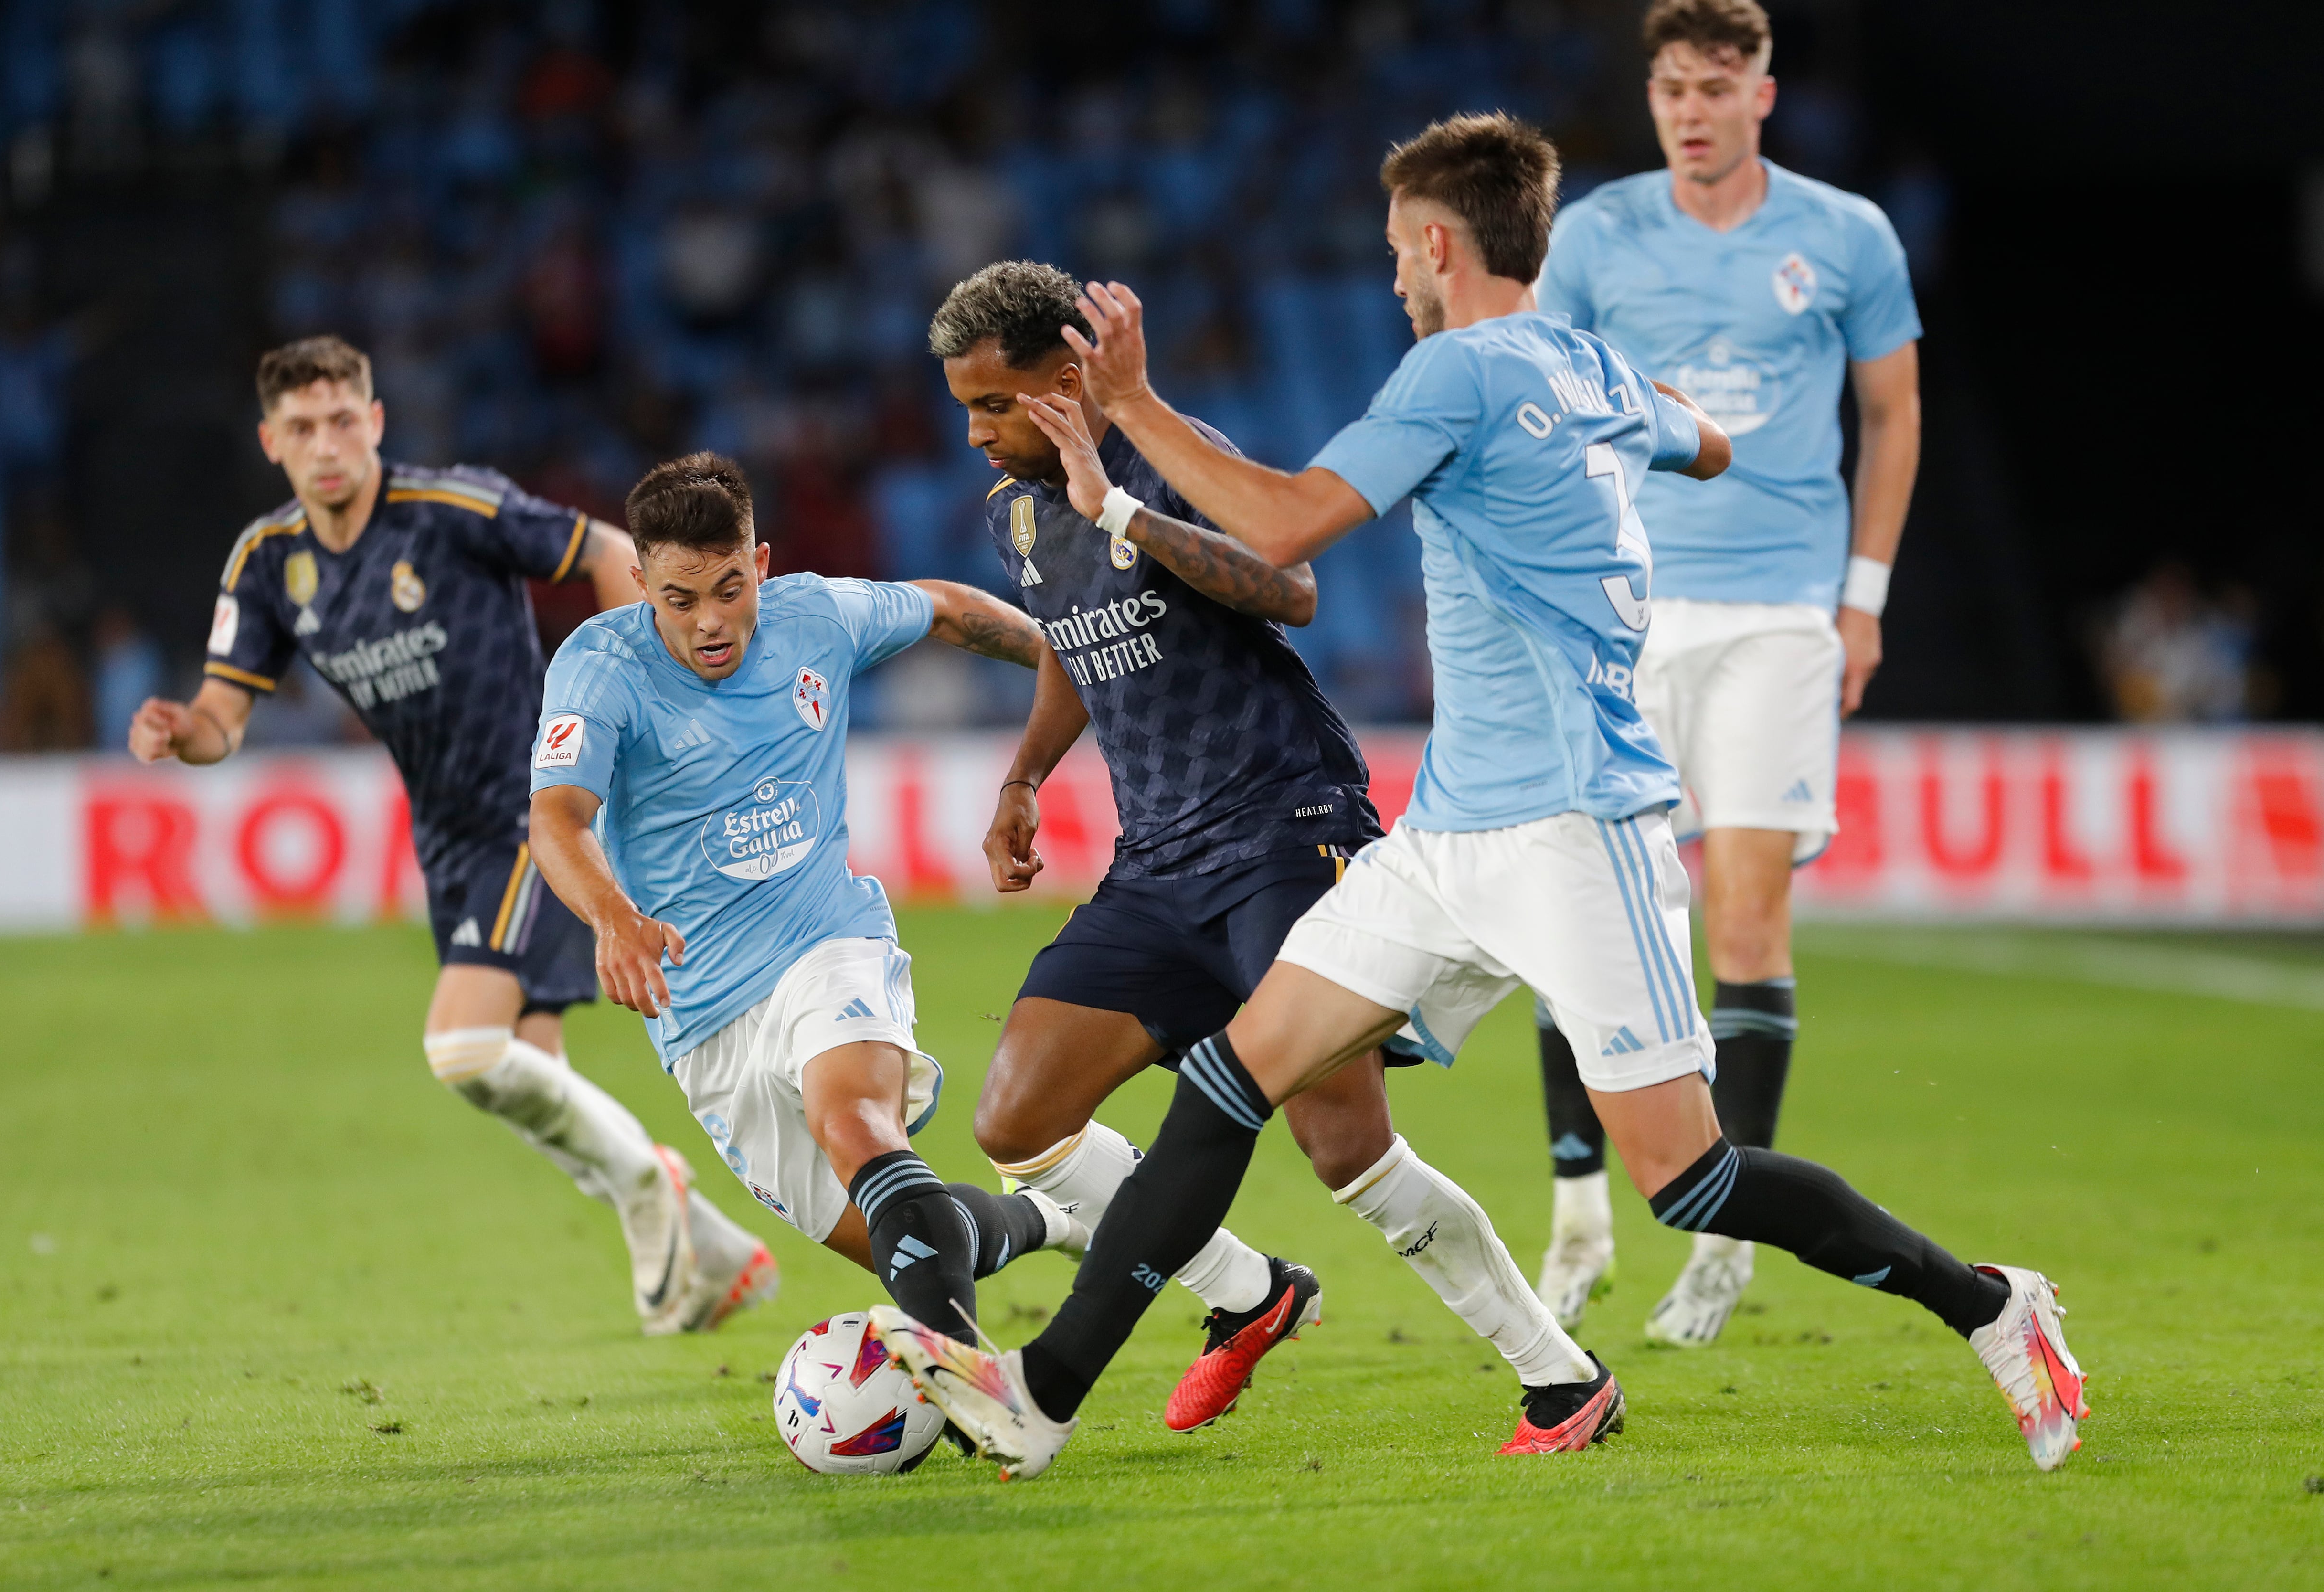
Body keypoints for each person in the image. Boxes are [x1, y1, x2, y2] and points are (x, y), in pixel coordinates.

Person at [873, 113, 2086, 1479]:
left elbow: (1283, 536)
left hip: (1577, 827)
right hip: (1448, 832)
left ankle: (1991, 1301)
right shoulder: (1586, 366)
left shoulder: (1450, 377)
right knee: (1227, 1078)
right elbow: (1714, 448)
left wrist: (1135, 421)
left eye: (1399, 250)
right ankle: (1041, 1393)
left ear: (1440, 246)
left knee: (1690, 1178)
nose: (1392, 275)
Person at [933, 260, 1597, 1436]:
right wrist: (1026, 773)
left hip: (1287, 824)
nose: (979, 432)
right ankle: (1251, 1292)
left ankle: (1559, 1371)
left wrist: (1123, 509)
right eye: (968, 408)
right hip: (1158, 862)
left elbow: (1289, 588)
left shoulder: (1170, 453)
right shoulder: (1014, 512)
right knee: (1015, 1120)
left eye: (998, 402)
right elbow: (1069, 641)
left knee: (1343, 1142)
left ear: (1072, 377)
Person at [127, 336, 777, 1336]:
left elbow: (609, 553)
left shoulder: (452, 510)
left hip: (533, 811)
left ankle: (655, 1189)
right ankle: (716, 1246)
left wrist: (652, 696)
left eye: (344, 418)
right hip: (447, 833)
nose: (328, 442)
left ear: (376, 421)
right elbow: (224, 716)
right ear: (272, 442)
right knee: (533, 1084)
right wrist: (186, 732)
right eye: (302, 427)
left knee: (463, 1048)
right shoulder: (268, 563)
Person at [1527, 0, 1925, 1345]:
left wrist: (1861, 598)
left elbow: (1892, 409)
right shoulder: (1592, 238)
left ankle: (1727, 1231)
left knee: (1745, 921)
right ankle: (1577, 1200)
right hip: (1625, 610)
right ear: (1651, 100)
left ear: (1763, 92)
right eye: (1669, 88)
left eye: (1715, 84)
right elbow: (1538, 406)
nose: (1690, 108)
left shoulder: (1847, 236)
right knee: (1583, 907)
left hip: (1776, 616)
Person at [525, 453, 1086, 1345]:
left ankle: (980, 1384)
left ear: (764, 563)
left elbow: (942, 604)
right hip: (703, 1013)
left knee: (855, 1123)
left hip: (828, 944)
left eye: (729, 587)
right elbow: (557, 815)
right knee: (922, 1242)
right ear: (639, 583)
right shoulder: (601, 666)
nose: (711, 621)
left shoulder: (815, 615)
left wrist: (1071, 653)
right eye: (680, 599)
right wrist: (614, 916)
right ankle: (1054, 1219)